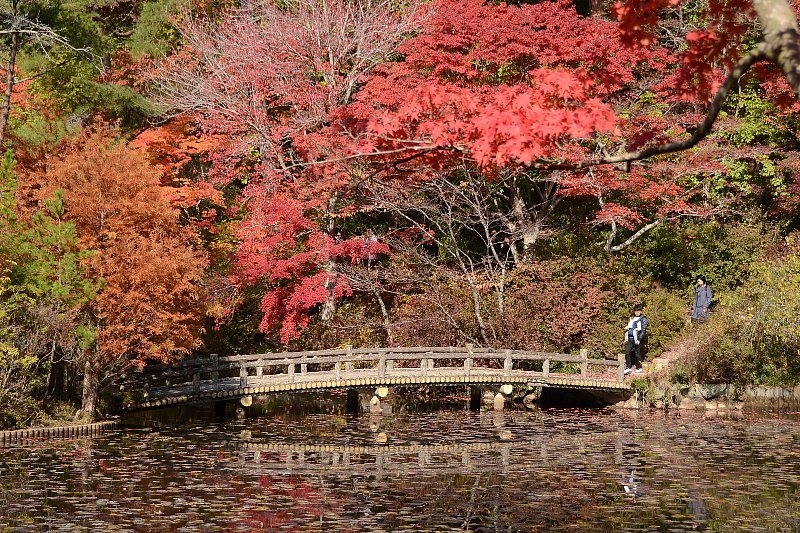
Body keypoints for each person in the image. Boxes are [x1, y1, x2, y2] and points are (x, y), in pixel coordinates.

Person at [624, 304, 648, 375]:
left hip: (637, 339)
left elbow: (643, 330)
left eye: (638, 311)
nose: (636, 313)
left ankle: (639, 367)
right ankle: (628, 367)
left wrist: (639, 338)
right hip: (630, 338)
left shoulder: (643, 319)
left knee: (637, 353)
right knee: (627, 352)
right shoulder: (633, 318)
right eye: (635, 311)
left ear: (641, 311)